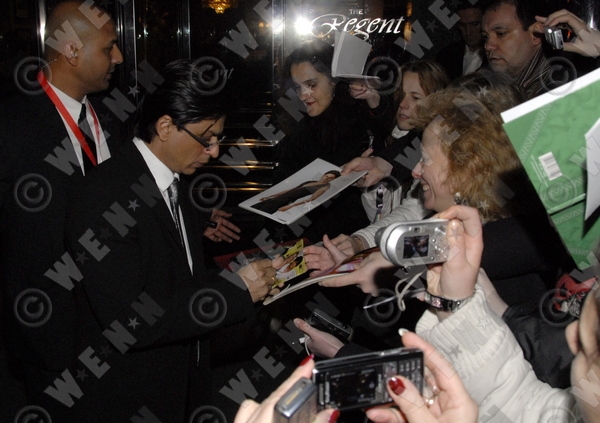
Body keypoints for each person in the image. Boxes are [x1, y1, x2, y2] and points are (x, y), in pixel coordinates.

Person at [62, 59, 282, 422]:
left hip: (180, 381)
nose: (214, 151)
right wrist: (234, 293)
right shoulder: (102, 196)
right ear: (165, 126)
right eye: (206, 139)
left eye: (219, 139)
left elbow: (176, 285)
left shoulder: (173, 182)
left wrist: (243, 278)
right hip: (128, 394)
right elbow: (129, 322)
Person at [0, 0, 123, 414]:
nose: (119, 58)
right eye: (108, 48)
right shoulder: (11, 126)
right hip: (51, 340)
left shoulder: (111, 117)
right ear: (71, 51)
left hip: (118, 325)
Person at [272, 39, 395, 242]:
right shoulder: (298, 124)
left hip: (349, 239)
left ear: (332, 81)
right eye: (297, 87)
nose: (303, 95)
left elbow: (389, 126)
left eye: (311, 85)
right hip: (303, 238)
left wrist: (374, 98)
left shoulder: (357, 119)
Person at [359, 60, 449, 224]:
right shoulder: (390, 139)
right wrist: (371, 185)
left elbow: (412, 213)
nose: (402, 104)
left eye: (415, 97)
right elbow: (379, 217)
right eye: (401, 94)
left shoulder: (438, 151)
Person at [481, 0, 566, 100]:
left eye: (501, 33)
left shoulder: (565, 91)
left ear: (536, 35)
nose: (488, 46)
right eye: (485, 37)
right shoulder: (482, 83)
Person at [435, 2, 487, 81]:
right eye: (462, 25)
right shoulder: (446, 55)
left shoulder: (496, 55)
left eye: (474, 24)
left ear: (485, 22)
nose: (468, 31)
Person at [252, 170, 340, 214]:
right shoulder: (310, 181)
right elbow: (290, 190)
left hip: (283, 202)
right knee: (253, 209)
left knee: (260, 215)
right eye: (327, 176)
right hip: (274, 199)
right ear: (324, 174)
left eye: (331, 178)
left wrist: (290, 206)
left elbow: (312, 199)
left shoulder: (325, 186)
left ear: (333, 180)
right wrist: (269, 196)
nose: (327, 178)